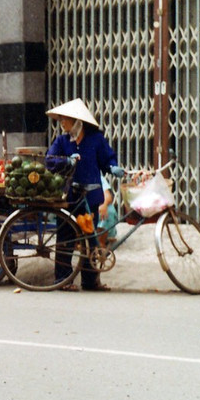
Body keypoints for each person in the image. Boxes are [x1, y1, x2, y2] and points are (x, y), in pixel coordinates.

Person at [45, 98, 124, 291]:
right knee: (65, 238)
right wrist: (66, 162)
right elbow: (50, 160)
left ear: (77, 121)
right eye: (61, 120)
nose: (62, 123)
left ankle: (90, 281)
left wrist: (113, 167)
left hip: (90, 197)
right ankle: (62, 280)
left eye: (65, 120)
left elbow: (107, 159)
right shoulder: (62, 141)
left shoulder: (96, 139)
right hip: (69, 197)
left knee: (89, 238)